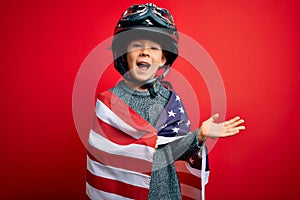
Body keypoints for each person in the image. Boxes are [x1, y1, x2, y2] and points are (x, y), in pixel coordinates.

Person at [86, 3, 245, 200]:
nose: (145, 52)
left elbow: (173, 152)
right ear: (124, 55)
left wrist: (200, 136)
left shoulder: (171, 101)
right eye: (137, 45)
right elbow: (107, 160)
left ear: (163, 59)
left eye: (153, 47)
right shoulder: (109, 104)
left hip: (166, 193)